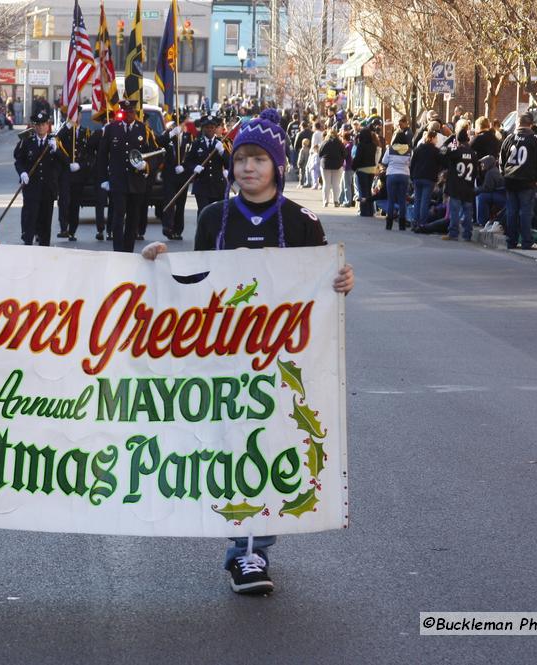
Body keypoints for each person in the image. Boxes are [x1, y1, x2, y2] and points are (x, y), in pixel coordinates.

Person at [138, 109, 354, 595]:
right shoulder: (215, 217)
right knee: (235, 449)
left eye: (259, 159)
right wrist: (160, 264)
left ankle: (253, 548)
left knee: (269, 446)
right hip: (224, 359)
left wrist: (343, 282)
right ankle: (246, 551)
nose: (249, 168)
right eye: (241, 159)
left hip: (281, 361)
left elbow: (322, 287)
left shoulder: (302, 221)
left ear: (277, 165)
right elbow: (192, 283)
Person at [95, 99, 160, 252]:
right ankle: (118, 250)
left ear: (136, 113)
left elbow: (156, 154)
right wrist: (104, 179)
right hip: (118, 182)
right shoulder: (111, 129)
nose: (128, 115)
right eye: (125, 112)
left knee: (133, 218)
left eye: (131, 112)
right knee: (118, 216)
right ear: (121, 112)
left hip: (136, 182)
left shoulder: (143, 129)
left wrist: (146, 165)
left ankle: (128, 250)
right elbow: (102, 156)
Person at [13, 108, 60, 246]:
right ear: (34, 126)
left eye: (43, 124)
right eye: (38, 125)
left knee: (45, 223)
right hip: (31, 189)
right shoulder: (27, 141)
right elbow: (18, 159)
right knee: (30, 221)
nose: (41, 127)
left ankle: (44, 248)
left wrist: (56, 150)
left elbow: (64, 162)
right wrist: (22, 173)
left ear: (48, 125)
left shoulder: (54, 142)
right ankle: (28, 245)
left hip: (48, 190)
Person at [500, 113, 537, 249]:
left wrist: (504, 173)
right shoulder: (536, 139)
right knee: (525, 212)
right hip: (527, 180)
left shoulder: (509, 138)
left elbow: (502, 160)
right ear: (530, 124)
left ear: (518, 123)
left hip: (510, 179)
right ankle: (526, 241)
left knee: (512, 211)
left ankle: (511, 240)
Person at [184, 115, 228, 214]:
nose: (210, 130)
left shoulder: (222, 143)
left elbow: (230, 163)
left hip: (218, 186)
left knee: (218, 214)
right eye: (207, 127)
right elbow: (187, 162)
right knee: (203, 212)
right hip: (202, 186)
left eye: (212, 127)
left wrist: (222, 152)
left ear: (215, 128)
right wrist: (194, 167)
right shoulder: (196, 143)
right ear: (203, 128)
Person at [54, 120, 89, 241]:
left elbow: (89, 153)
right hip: (65, 173)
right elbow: (57, 140)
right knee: (64, 201)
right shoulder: (65, 131)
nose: (77, 117)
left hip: (78, 174)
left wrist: (81, 165)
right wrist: (68, 126)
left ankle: (72, 230)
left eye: (78, 114)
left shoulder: (86, 132)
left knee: (75, 203)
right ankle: (63, 228)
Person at [441, 129, 478, 241]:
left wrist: (449, 140)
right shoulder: (473, 154)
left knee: (455, 211)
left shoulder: (455, 152)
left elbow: (442, 151)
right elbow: (476, 171)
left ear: (458, 140)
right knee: (468, 212)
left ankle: (453, 233)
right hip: (468, 186)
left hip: (456, 186)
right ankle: (467, 234)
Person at [159, 118, 192, 240]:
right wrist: (171, 134)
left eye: (182, 124)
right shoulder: (168, 136)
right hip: (169, 174)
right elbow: (158, 142)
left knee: (181, 203)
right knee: (169, 201)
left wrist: (184, 167)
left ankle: (178, 230)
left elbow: (192, 155)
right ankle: (167, 227)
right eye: (177, 124)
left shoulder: (189, 137)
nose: (180, 126)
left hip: (183, 175)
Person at [410, 129, 444, 228]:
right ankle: (422, 223)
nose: (437, 140)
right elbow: (442, 163)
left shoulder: (418, 149)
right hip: (429, 178)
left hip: (417, 177)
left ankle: (415, 221)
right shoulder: (436, 151)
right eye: (436, 138)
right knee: (425, 202)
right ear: (432, 138)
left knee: (417, 200)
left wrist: (412, 176)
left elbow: (413, 164)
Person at [381, 135, 411, 230]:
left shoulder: (390, 149)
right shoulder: (409, 151)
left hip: (392, 175)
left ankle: (389, 224)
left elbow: (384, 161)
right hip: (404, 175)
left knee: (391, 200)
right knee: (402, 200)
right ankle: (402, 224)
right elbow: (410, 163)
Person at [352, 127, 380, 217]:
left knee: (363, 191)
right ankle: (370, 211)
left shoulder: (361, 145)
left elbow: (358, 158)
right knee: (368, 190)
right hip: (371, 169)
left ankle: (364, 211)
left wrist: (354, 167)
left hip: (362, 169)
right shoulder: (373, 145)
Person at [318, 129, 346, 207]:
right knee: (336, 184)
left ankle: (325, 201)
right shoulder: (339, 143)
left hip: (325, 164)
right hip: (337, 165)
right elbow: (344, 154)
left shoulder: (324, 142)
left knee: (326, 184)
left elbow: (320, 153)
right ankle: (336, 201)